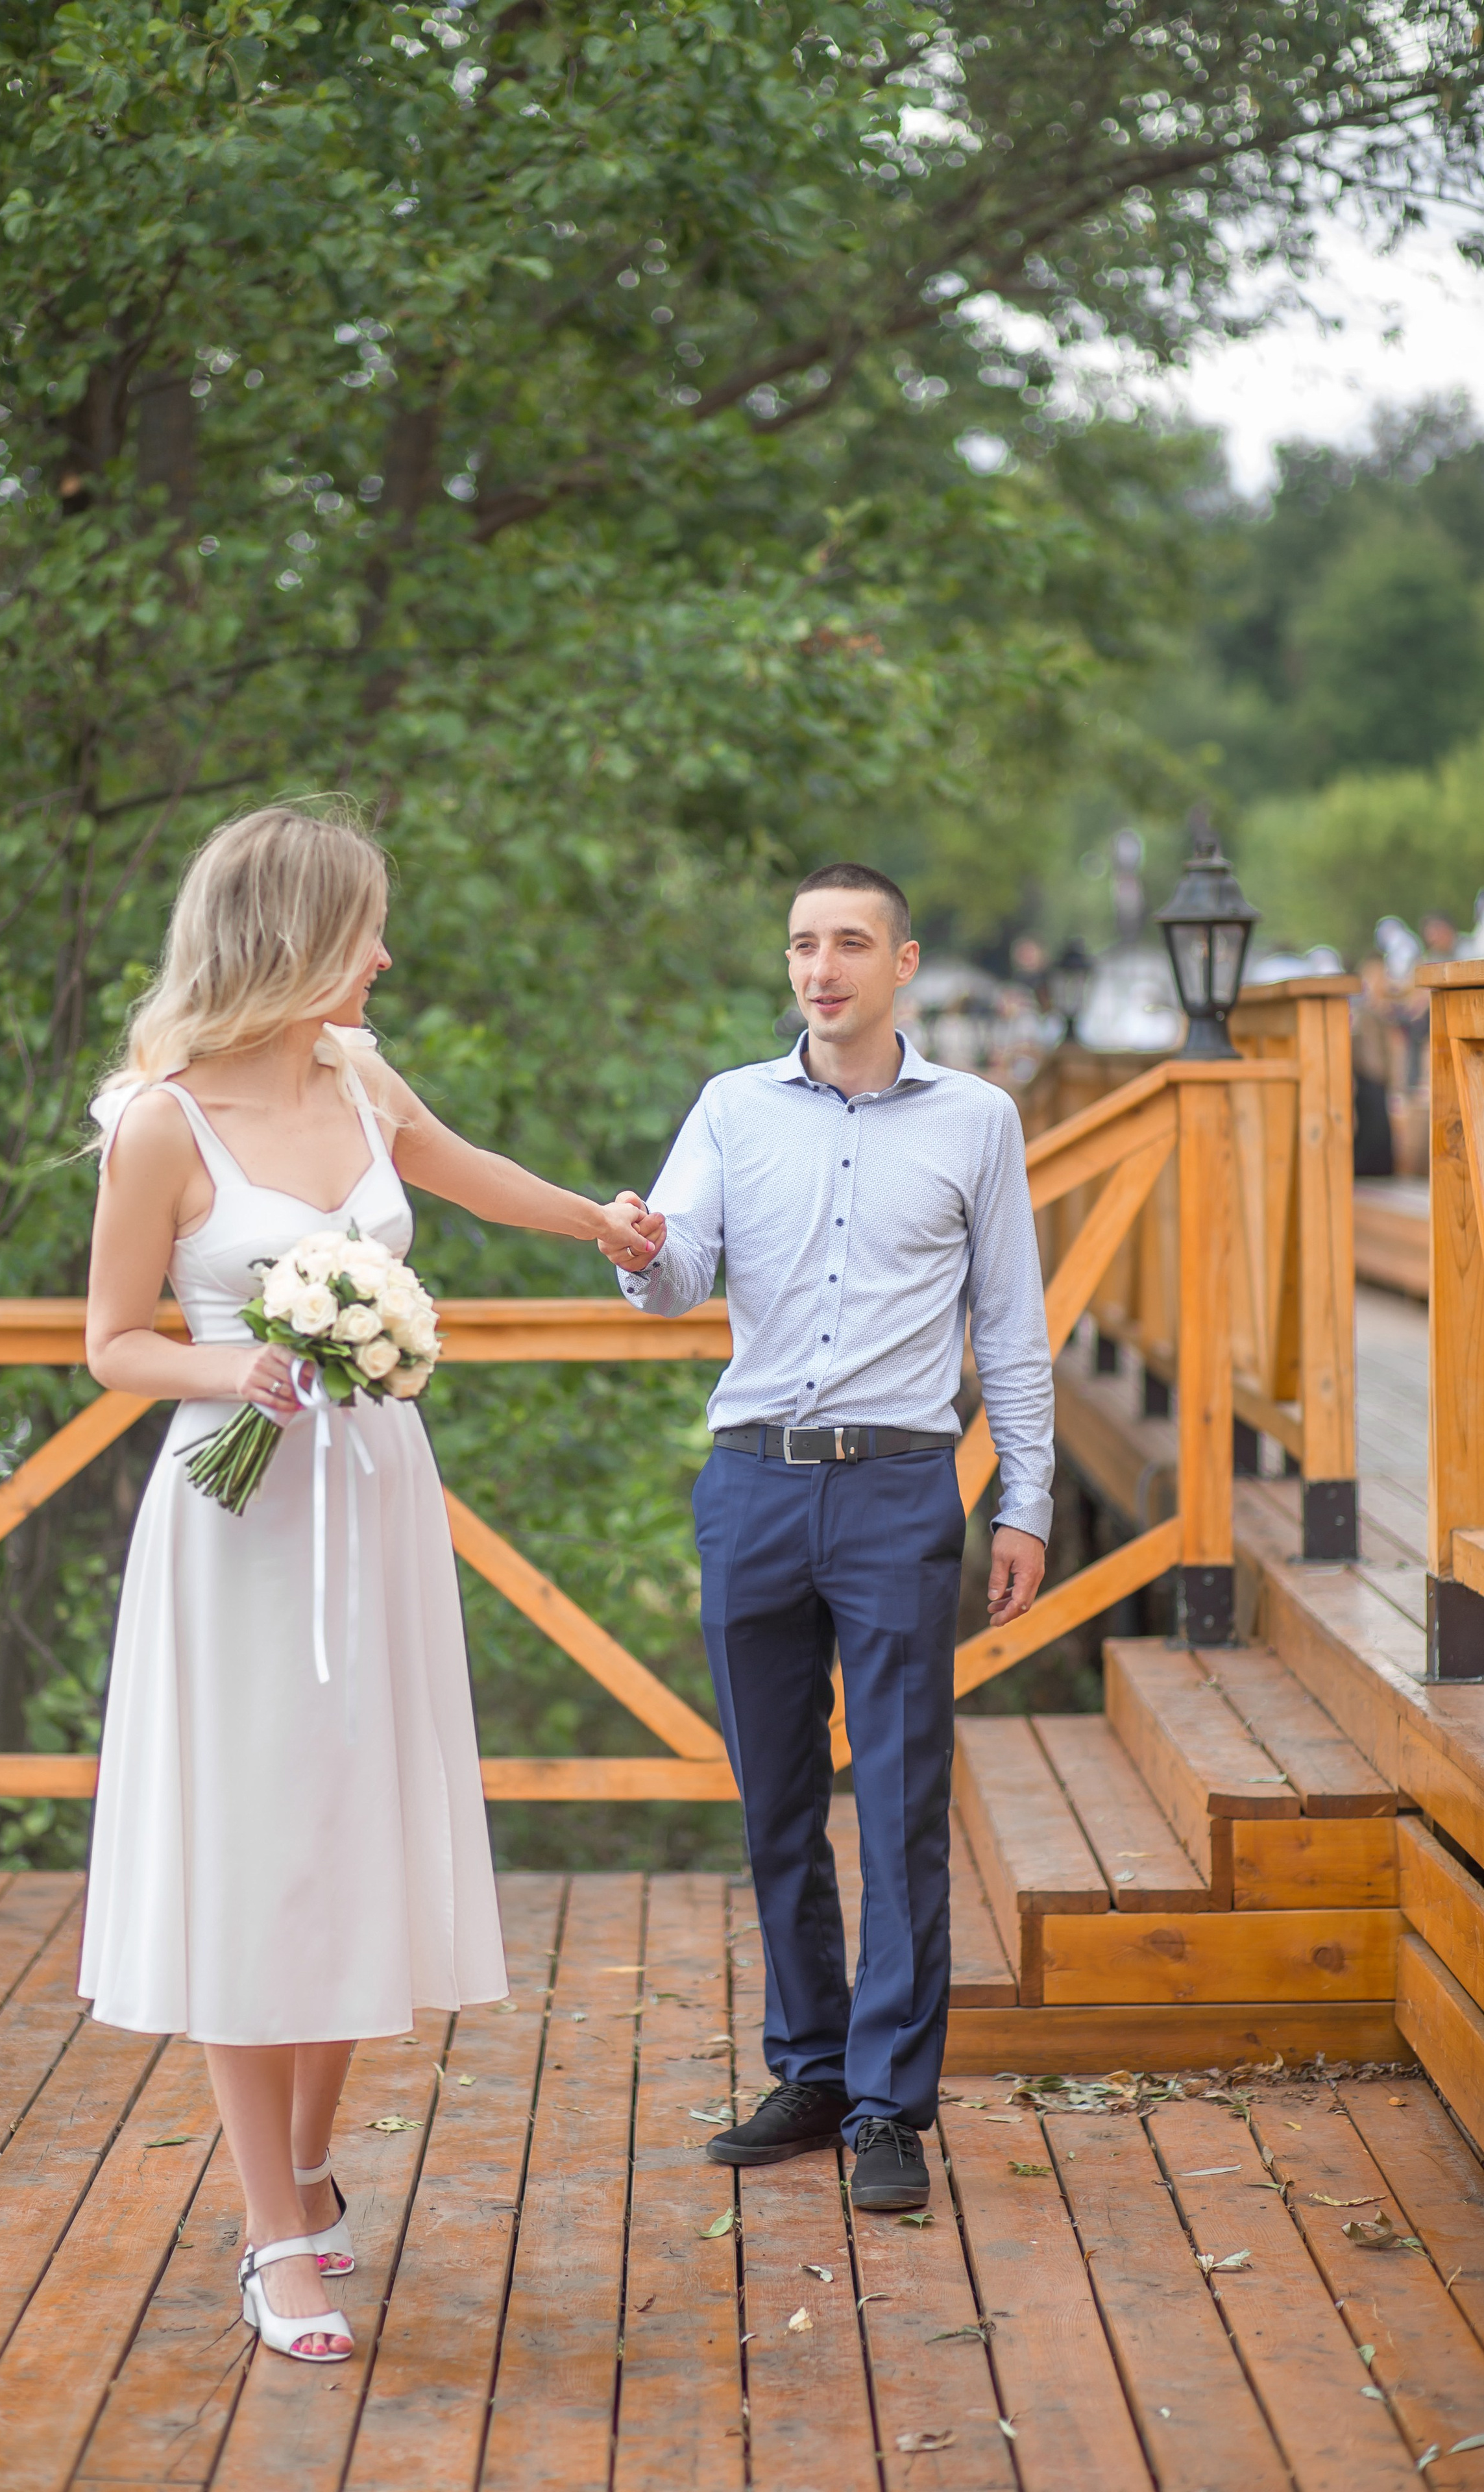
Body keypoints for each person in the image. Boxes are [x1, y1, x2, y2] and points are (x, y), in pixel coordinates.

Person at [80, 805, 662, 2363]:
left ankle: (313, 2160)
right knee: (250, 1852)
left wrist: (598, 1219)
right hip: (237, 1524)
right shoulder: (160, 1125)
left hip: (376, 1504)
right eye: (366, 931)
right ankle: (277, 2234)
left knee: (351, 1836)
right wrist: (238, 1366)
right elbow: (111, 1341)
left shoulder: (355, 1070)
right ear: (291, 940)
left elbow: (458, 1172)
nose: (386, 957)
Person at [611, 863, 1051, 2212]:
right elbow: (672, 1279)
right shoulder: (731, 1110)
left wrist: (1023, 1500)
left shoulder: (976, 1121)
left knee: (904, 1805)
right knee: (774, 1802)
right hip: (749, 1484)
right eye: (803, 944)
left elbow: (1010, 1331)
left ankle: (887, 2108)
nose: (820, 966)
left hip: (899, 1491)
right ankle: (808, 2068)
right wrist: (637, 1246)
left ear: (901, 962)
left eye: (848, 943)